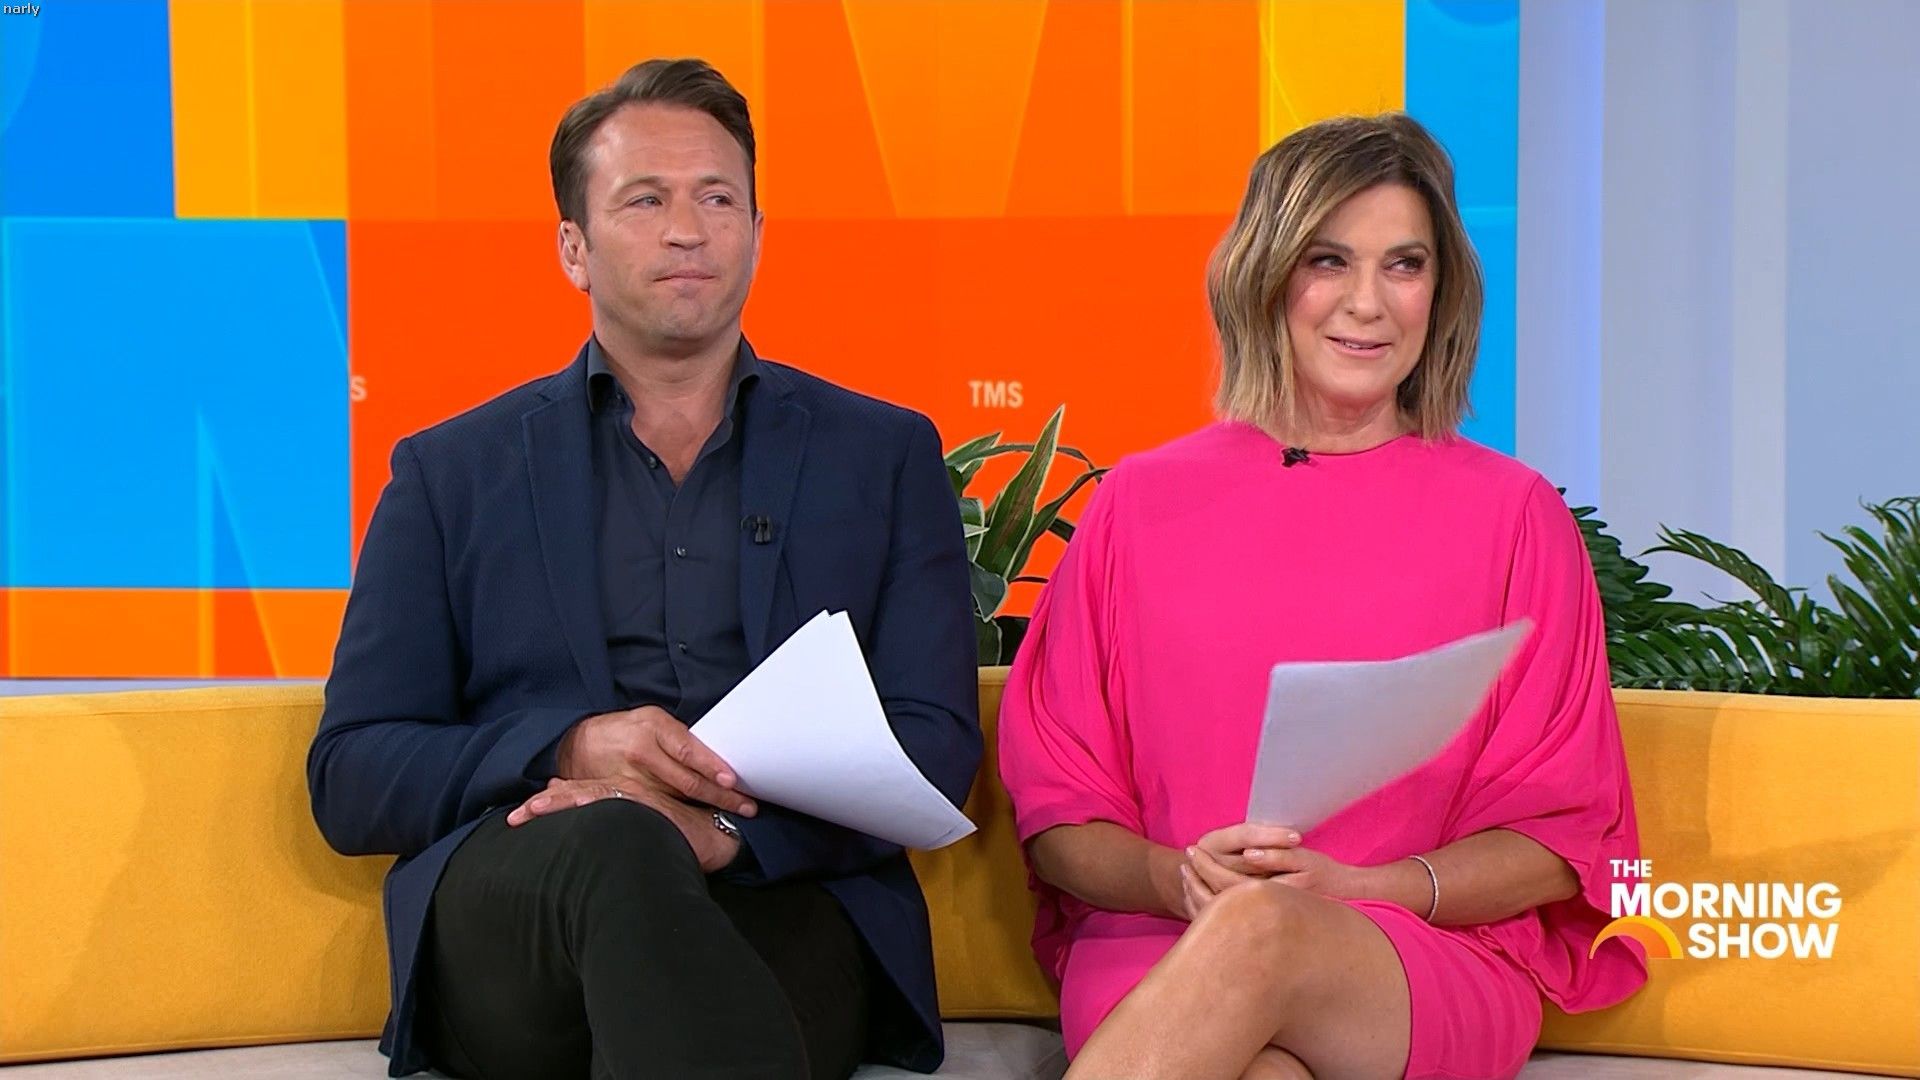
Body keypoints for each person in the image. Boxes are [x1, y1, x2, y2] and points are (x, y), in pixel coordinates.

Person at [307, 58, 979, 1080]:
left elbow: (933, 749)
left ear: (757, 231)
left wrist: (721, 833)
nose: (688, 231)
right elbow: (352, 774)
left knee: (692, 985)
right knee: (621, 843)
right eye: (645, 200)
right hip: (527, 906)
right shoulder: (453, 473)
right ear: (573, 248)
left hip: (782, 892)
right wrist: (569, 748)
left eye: (718, 198)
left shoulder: (882, 457)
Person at [997, 113, 1647, 1080]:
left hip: (1420, 954)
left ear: (1441, 291)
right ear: (1266, 276)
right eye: (1328, 261)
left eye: (1404, 265)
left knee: (1264, 930)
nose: (1367, 303)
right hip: (1163, 939)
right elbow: (1060, 820)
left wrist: (1361, 887)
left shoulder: (1515, 516)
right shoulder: (1137, 503)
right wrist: (1175, 877)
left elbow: (1563, 842)